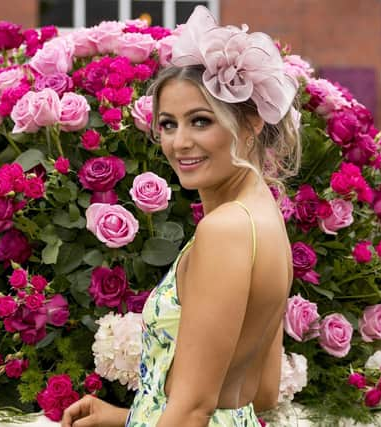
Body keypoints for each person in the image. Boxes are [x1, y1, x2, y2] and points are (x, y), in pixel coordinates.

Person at [62, 6, 301, 427]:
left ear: (250, 125)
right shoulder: (263, 218)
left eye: (201, 121)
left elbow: (193, 409)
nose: (180, 142)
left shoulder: (225, 231)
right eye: (169, 124)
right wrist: (126, 416)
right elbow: (258, 393)